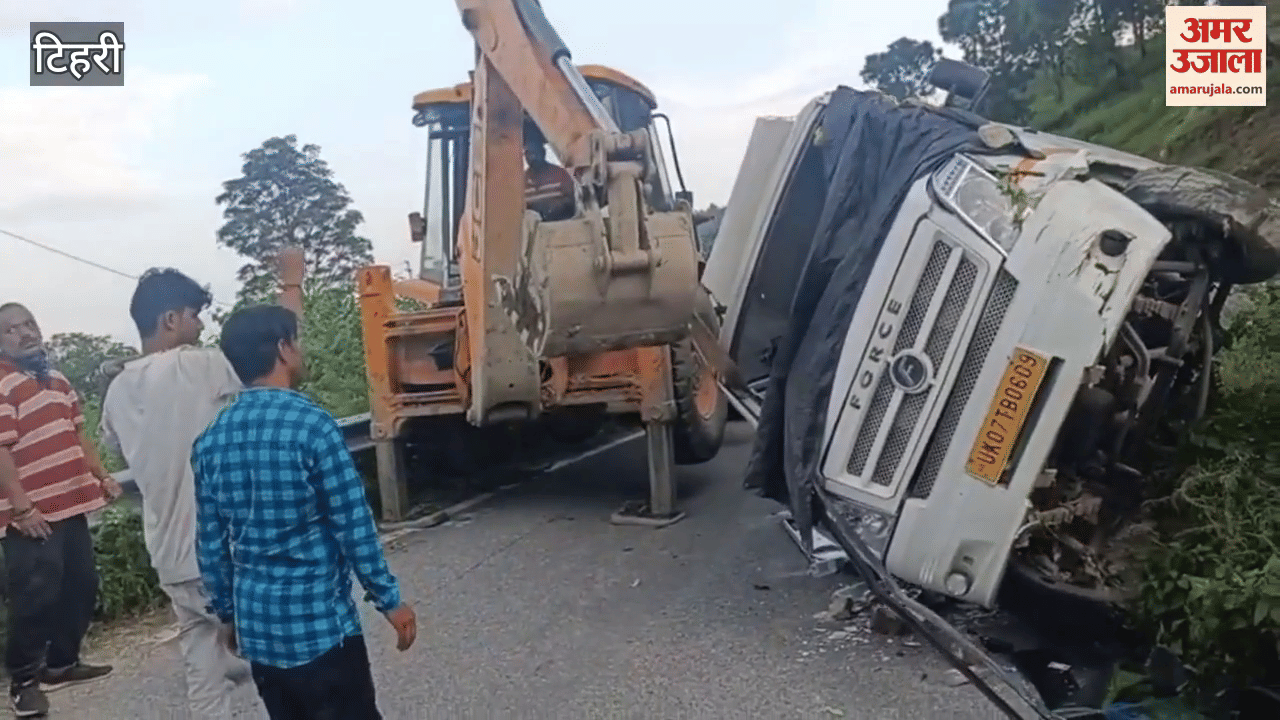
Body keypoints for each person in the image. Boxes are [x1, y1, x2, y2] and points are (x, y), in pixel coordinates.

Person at [99, 252, 304, 719]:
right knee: (281, 658)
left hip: (169, 556)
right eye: (194, 316)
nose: (199, 326)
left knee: (204, 668)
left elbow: (118, 449)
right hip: (221, 553)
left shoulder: (116, 392)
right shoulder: (197, 366)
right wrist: (291, 284)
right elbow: (276, 351)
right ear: (171, 319)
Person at [191, 303, 417, 720]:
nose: (302, 349)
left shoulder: (210, 441)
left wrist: (227, 614)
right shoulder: (313, 426)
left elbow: (210, 545)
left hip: (259, 629)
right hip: (321, 629)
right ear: (283, 348)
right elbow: (353, 527)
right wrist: (390, 600)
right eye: (298, 340)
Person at [0, 302, 120, 718]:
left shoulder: (58, 379)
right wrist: (21, 508)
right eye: (13, 329)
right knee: (35, 596)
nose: (26, 333)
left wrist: (102, 475)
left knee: (81, 584)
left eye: (29, 324)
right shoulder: (1, 383)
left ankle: (61, 663)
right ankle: (24, 682)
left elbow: (78, 433)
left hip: (72, 503)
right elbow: (1, 450)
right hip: (31, 515)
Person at [523, 126, 576, 222]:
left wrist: (556, 206)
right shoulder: (521, 181)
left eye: (535, 152)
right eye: (528, 153)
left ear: (543, 152)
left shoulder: (560, 175)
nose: (532, 156)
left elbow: (573, 201)